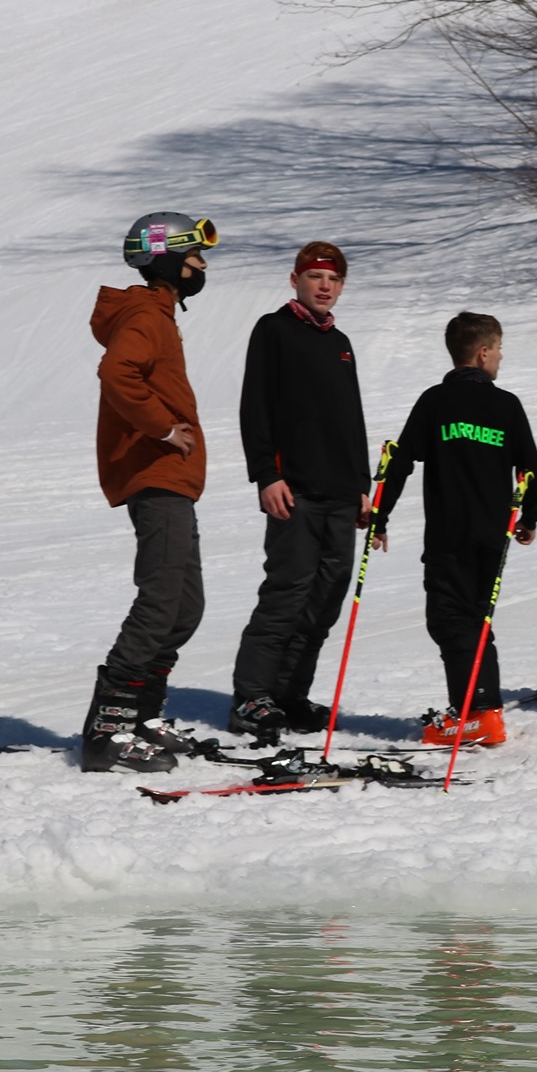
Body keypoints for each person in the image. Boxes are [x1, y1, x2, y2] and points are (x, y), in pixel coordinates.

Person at [80, 212, 218, 774]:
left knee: (185, 605)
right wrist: (163, 428)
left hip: (172, 479)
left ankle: (141, 714)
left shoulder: (157, 313)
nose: (202, 266)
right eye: (194, 256)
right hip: (155, 475)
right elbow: (117, 373)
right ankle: (107, 730)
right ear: (167, 260)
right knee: (161, 601)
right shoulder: (144, 314)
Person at [372, 312, 537, 747]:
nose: (501, 357)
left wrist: (379, 516)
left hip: (449, 533)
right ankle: (484, 710)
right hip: (491, 535)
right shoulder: (506, 405)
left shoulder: (435, 401)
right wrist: (528, 518)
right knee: (476, 617)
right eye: (499, 349)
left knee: (450, 619)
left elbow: (399, 461)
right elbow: (533, 471)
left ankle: (474, 714)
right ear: (483, 353)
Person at [226, 241, 372, 744]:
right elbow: (255, 406)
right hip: (296, 490)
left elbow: (351, 419)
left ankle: (288, 695)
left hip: (341, 494)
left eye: (333, 279)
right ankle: (251, 697)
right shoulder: (274, 330)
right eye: (315, 277)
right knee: (287, 592)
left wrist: (361, 486)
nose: (324, 286)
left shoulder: (341, 342)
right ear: (295, 280)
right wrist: (266, 475)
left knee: (325, 599)